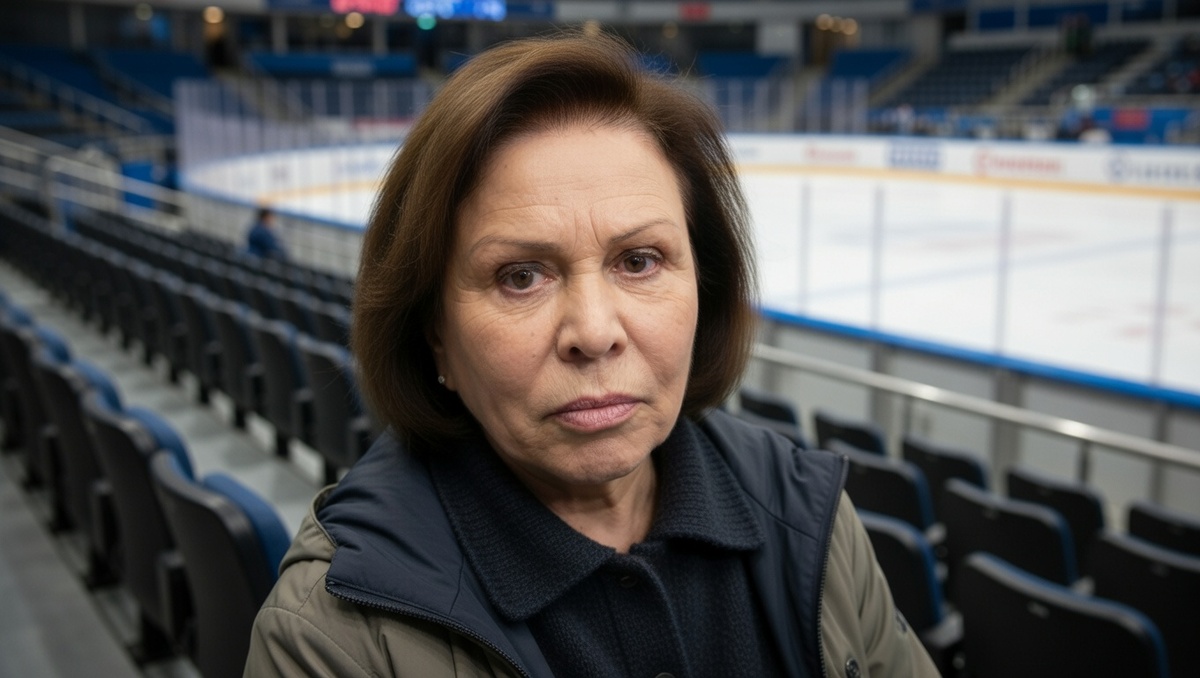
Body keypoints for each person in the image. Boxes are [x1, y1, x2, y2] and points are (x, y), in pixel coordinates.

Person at [244, 33, 938, 678]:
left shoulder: (810, 519)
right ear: (434, 332)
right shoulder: (333, 633)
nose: (595, 331)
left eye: (639, 261)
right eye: (521, 276)